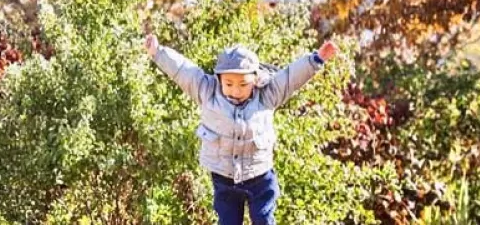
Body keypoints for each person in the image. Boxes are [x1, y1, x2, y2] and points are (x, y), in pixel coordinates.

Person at [144, 34, 338, 225]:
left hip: (259, 176)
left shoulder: (267, 95)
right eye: (229, 84)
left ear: (255, 79)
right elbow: (183, 70)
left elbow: (290, 78)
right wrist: (158, 52)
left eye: (243, 84)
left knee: (263, 219)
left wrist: (316, 59)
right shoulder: (207, 91)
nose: (236, 91)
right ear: (219, 78)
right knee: (228, 221)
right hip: (224, 178)